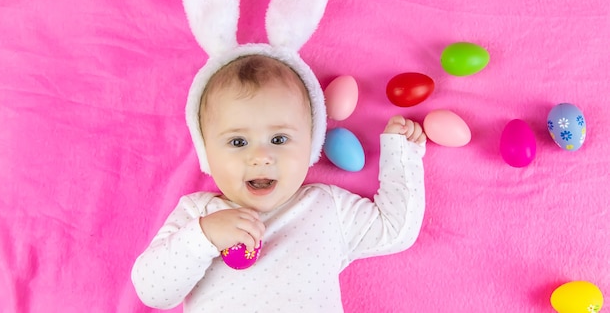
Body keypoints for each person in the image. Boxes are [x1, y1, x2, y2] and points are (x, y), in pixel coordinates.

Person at [131, 54, 427, 312]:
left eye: (279, 139)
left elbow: (394, 228)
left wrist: (402, 154)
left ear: (310, 145)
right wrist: (202, 237)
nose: (261, 157)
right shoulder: (199, 212)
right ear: (206, 152)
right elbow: (153, 291)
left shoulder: (326, 207)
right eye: (237, 141)